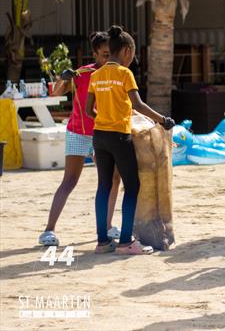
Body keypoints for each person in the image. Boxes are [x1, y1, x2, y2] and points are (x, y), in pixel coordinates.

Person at [85, 26, 174, 255]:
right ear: (126, 51)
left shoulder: (97, 75)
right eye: (132, 53)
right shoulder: (125, 74)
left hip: (99, 136)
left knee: (103, 186)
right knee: (132, 186)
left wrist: (104, 119)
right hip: (119, 136)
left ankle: (102, 242)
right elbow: (138, 105)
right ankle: (126, 242)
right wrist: (163, 120)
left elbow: (88, 110)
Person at [38, 32, 122, 247]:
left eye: (111, 53)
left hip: (104, 132)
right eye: (104, 54)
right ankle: (48, 230)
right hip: (79, 131)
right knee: (70, 181)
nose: (108, 58)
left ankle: (107, 225)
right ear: (94, 54)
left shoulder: (117, 73)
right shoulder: (82, 73)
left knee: (113, 179)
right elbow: (56, 93)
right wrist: (63, 78)